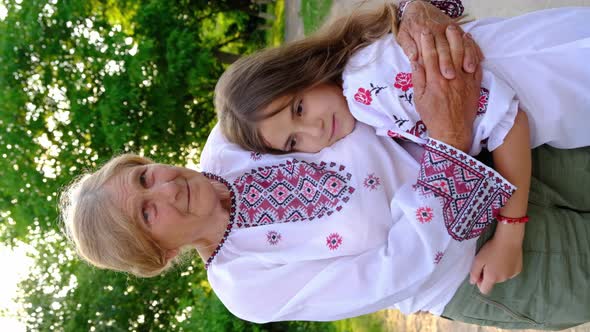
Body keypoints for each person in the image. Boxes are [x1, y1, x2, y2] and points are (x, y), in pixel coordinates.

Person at [59, 1, 590, 331]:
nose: (167, 187)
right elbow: (391, 273)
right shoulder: (244, 285)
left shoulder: (232, 135)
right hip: (483, 267)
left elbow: (338, 64)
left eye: (145, 176)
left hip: (507, 152)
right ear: (162, 253)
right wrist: (448, 145)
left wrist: (411, 13)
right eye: (148, 214)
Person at [215, 0, 590, 298]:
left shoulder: (366, 87)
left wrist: (509, 236)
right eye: (294, 142)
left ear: (305, 70)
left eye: (299, 108)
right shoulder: (366, 89)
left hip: (571, 76)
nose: (313, 129)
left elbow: (507, 120)